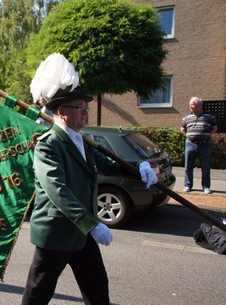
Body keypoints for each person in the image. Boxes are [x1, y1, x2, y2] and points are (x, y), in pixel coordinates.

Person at [22, 53, 158, 305]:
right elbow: (57, 190)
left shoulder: (80, 139)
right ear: (62, 112)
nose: (85, 113)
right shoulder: (48, 145)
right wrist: (92, 224)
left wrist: (140, 168)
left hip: (82, 232)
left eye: (87, 108)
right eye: (80, 108)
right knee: (38, 292)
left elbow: (108, 164)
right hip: (57, 232)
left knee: (96, 287)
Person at [181, 97, 217, 194]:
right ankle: (187, 185)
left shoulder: (209, 117)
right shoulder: (186, 117)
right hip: (190, 144)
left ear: (200, 106)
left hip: (204, 144)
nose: (191, 107)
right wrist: (189, 136)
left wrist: (209, 135)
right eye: (190, 105)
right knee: (188, 166)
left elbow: (214, 127)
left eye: (193, 104)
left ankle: (206, 186)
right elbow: (183, 129)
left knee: (205, 166)